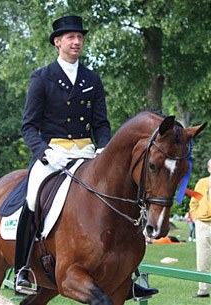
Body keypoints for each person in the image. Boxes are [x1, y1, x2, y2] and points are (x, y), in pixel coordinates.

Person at [14, 15, 158, 299]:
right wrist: (44, 152)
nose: (76, 41)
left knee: (123, 195)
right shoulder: (41, 78)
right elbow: (28, 126)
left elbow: (101, 123)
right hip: (52, 153)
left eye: (79, 37)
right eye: (70, 37)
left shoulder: (92, 79)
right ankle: (23, 269)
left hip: (87, 152)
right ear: (58, 42)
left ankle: (127, 275)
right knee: (32, 197)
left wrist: (104, 147)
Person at [190, 158, 211, 298]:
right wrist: (196, 217)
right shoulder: (201, 183)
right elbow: (194, 203)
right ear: (209, 168)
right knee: (202, 258)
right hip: (203, 224)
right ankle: (203, 290)